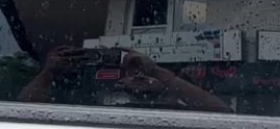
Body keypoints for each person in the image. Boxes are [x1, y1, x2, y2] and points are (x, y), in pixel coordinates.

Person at [19, 45, 231, 113]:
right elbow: (24, 114)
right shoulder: (87, 105)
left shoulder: (178, 111)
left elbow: (223, 114)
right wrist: (48, 73)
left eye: (141, 69)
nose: (137, 75)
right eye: (128, 71)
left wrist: (157, 72)